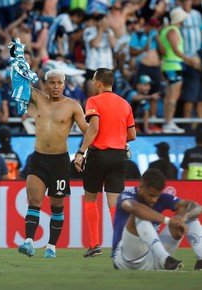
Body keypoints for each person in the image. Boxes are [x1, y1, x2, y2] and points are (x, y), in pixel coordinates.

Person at [18, 69, 88, 258]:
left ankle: (51, 246)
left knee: (57, 205)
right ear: (46, 84)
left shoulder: (73, 106)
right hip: (38, 158)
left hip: (59, 161)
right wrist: (18, 60)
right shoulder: (38, 98)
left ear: (64, 85)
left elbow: (87, 131)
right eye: (52, 83)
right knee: (34, 201)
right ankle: (29, 242)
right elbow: (18, 82)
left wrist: (84, 152)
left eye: (59, 83)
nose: (56, 87)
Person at [74, 68, 136, 257]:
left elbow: (93, 128)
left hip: (99, 155)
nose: (93, 84)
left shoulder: (94, 100)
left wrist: (80, 152)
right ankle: (122, 245)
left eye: (94, 81)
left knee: (91, 199)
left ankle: (94, 245)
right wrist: (120, 139)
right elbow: (132, 135)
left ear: (99, 83)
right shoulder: (125, 104)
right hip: (119, 157)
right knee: (114, 203)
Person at [112, 168, 202, 271]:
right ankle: (165, 259)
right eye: (151, 195)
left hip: (153, 257)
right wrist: (168, 220)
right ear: (141, 186)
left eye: (157, 196)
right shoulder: (127, 194)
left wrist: (182, 218)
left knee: (188, 215)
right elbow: (134, 208)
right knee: (139, 215)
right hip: (127, 259)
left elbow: (196, 206)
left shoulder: (162, 198)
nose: (154, 200)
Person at [159, 7, 199, 133]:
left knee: (169, 96)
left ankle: (168, 122)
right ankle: (168, 123)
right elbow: (176, 50)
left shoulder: (167, 29)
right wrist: (189, 60)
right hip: (173, 66)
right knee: (173, 96)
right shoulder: (173, 30)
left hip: (170, 66)